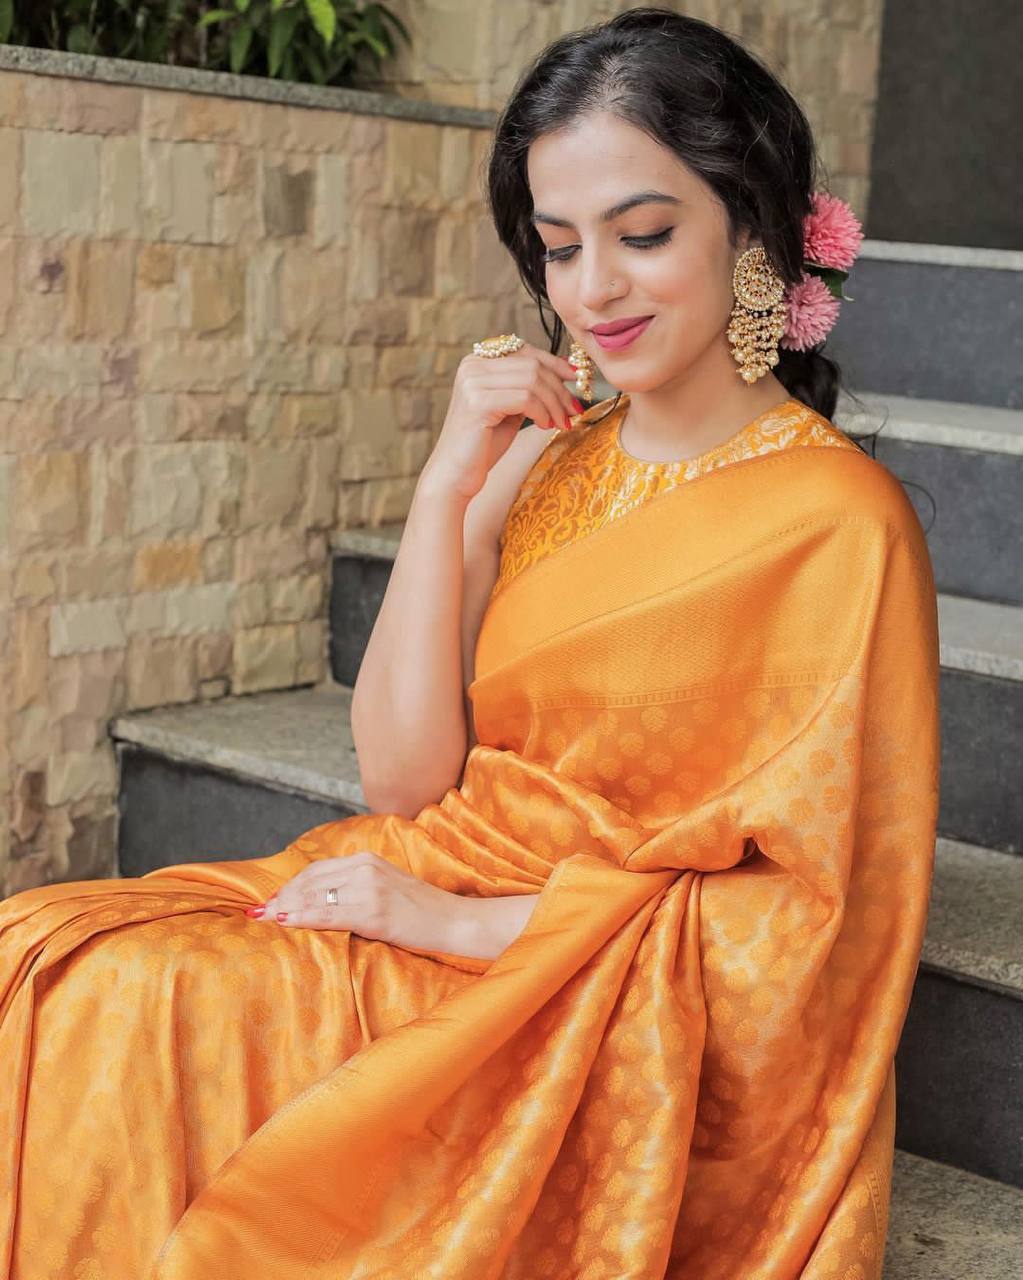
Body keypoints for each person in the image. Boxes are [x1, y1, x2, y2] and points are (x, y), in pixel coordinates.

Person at [0, 8, 939, 1278]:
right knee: (42, 953)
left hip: (568, 980)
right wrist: (447, 489)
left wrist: (452, 921)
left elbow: (807, 926)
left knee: (140, 1003)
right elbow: (403, 780)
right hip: (429, 870)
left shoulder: (838, 523)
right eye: (560, 248)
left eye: (643, 235)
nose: (593, 290)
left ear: (754, 229)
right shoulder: (549, 461)